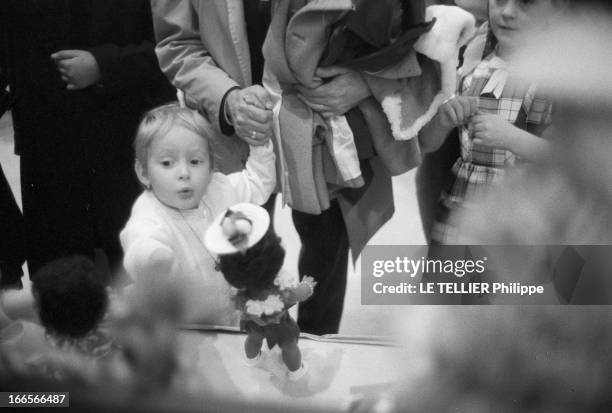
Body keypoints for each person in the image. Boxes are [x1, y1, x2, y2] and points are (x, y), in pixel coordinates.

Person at [151, 0, 379, 335]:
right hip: (231, 132)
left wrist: (363, 81)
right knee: (239, 252)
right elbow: (177, 42)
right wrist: (227, 100)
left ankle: (317, 343)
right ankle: (249, 341)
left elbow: (388, 27)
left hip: (324, 127)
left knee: (327, 244)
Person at [0, 0, 175, 279]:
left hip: (126, 142)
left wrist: (105, 65)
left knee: (142, 273)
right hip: (49, 151)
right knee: (64, 293)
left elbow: (178, 44)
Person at [420, 0, 565, 244]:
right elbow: (427, 144)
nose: (507, 12)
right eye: (499, 0)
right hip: (461, 206)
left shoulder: (555, 82)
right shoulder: (470, 67)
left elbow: (567, 160)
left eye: (526, 3)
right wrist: (443, 121)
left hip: (520, 217)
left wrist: (512, 138)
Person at [120, 104, 276, 325]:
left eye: (195, 161)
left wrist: (259, 144)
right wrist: (154, 259)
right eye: (167, 163)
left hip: (231, 316)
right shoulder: (149, 213)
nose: (184, 173)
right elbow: (142, 242)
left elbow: (258, 183)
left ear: (211, 166)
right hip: (184, 328)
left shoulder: (218, 188)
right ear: (144, 172)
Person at [205, 203, 315, 380]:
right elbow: (296, 295)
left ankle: (252, 359)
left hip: (252, 318)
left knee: (253, 338)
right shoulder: (278, 289)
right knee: (289, 346)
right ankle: (296, 371)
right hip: (279, 324)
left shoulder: (241, 287)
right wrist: (307, 287)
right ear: (274, 256)